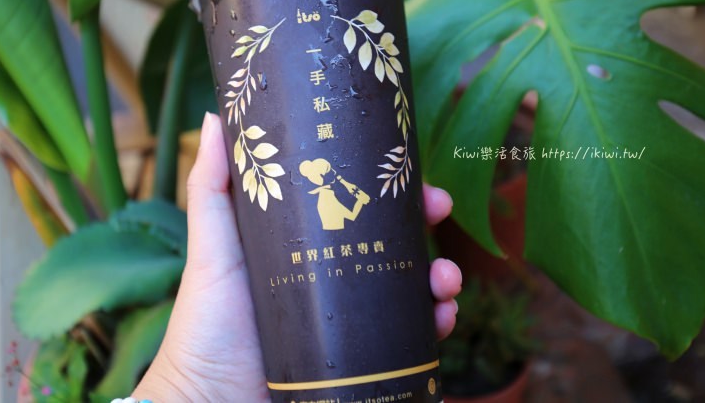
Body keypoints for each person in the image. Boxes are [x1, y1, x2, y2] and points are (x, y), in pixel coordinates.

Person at [131, 113, 462, 402]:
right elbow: (342, 223)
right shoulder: (324, 199)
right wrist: (192, 388)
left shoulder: (325, 196)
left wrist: (192, 389)